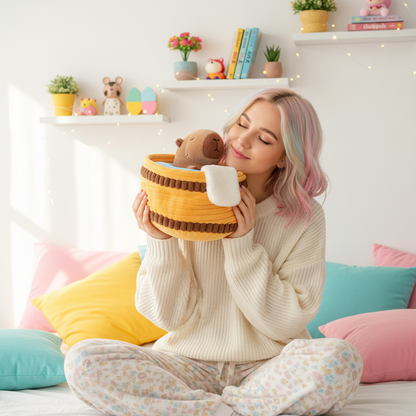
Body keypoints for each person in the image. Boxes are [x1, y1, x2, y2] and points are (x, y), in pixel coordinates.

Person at [64, 88, 363, 416]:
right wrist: (160, 240)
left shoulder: (304, 218)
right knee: (83, 359)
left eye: (263, 139)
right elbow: (168, 317)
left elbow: (282, 324)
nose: (241, 140)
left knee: (340, 358)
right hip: (182, 364)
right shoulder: (185, 194)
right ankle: (232, 412)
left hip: (269, 367)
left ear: (284, 156)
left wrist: (241, 244)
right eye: (241, 124)